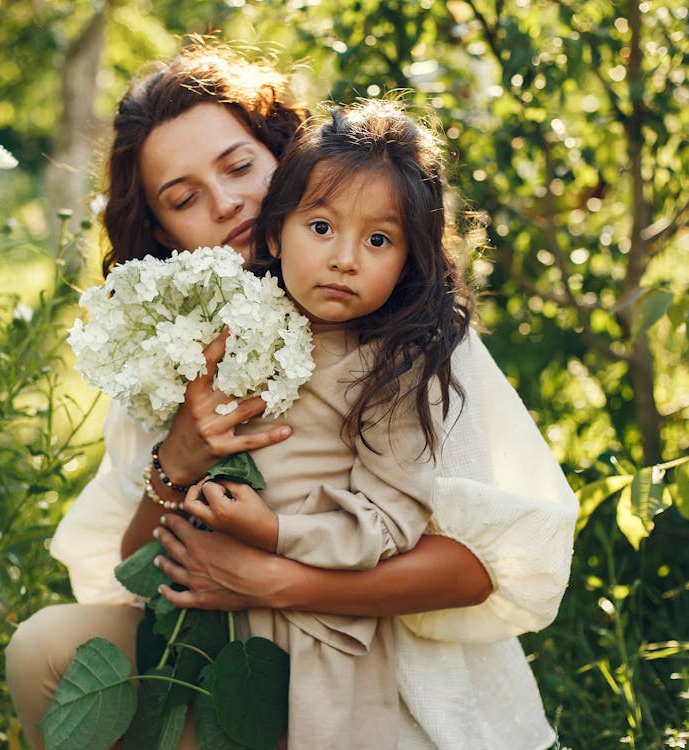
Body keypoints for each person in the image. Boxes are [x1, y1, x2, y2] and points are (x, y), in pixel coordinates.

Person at [5, 38, 578, 750]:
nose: (226, 203)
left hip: (382, 658)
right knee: (45, 648)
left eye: (240, 166)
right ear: (162, 231)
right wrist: (176, 458)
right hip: (226, 654)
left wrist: (273, 580)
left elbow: (471, 567)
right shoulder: (175, 344)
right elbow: (137, 577)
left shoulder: (407, 333)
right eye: (184, 199)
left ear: (285, 154)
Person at [172, 99, 472, 749]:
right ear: (274, 233)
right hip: (217, 623)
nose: (343, 259)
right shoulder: (238, 324)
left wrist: (274, 531)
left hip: (320, 634)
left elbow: (391, 523)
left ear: (407, 261)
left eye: (377, 240)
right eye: (320, 228)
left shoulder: (392, 370)